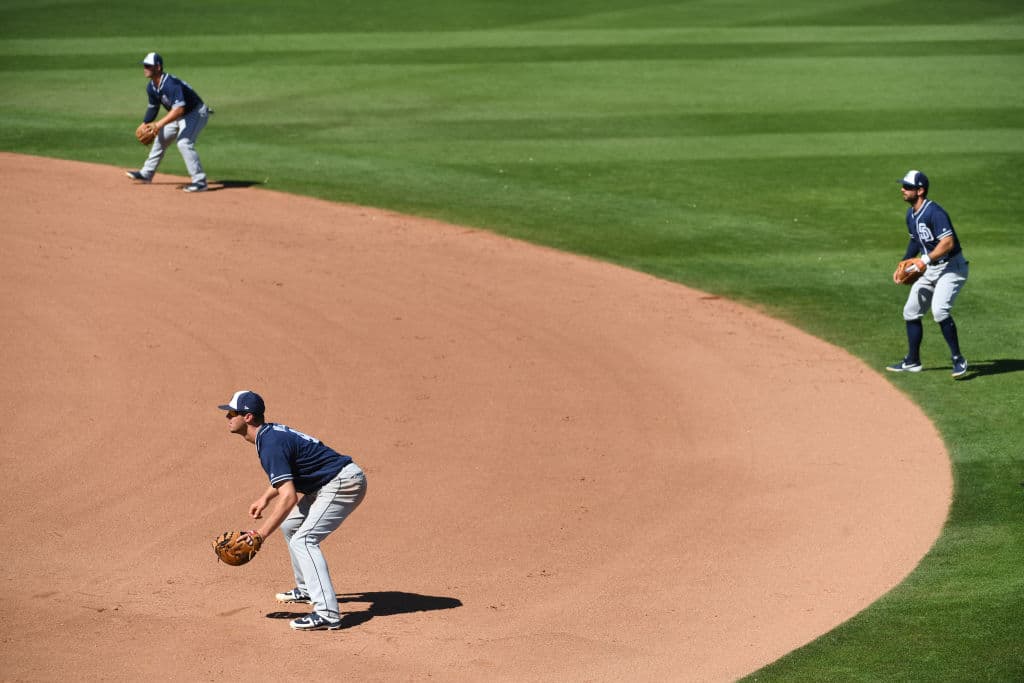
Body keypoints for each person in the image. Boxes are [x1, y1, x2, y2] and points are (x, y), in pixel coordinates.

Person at [218, 390, 368, 631]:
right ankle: (308, 588)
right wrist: (265, 497)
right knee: (291, 525)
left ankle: (327, 613)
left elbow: (288, 498)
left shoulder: (269, 443)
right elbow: (286, 477)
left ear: (247, 417)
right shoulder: (269, 435)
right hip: (330, 482)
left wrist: (260, 534)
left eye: (232, 413)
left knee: (304, 540)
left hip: (343, 483)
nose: (227, 417)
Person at [887, 170, 969, 378]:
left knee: (940, 310)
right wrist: (903, 263)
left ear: (920, 190)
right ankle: (912, 361)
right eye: (903, 186)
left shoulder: (935, 212)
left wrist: (924, 260)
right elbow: (916, 240)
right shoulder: (910, 214)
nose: (902, 190)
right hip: (931, 268)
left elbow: (948, 243)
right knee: (910, 311)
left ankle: (958, 359)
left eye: (907, 187)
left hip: (952, 267)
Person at [125, 52, 211, 192]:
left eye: (148, 66)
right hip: (181, 113)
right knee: (161, 138)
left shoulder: (171, 84)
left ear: (158, 67)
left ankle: (200, 181)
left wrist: (158, 125)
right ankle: (146, 174)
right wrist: (144, 123)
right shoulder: (151, 86)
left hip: (196, 112)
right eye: (144, 65)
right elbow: (153, 108)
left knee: (184, 142)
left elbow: (179, 110)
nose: (145, 68)